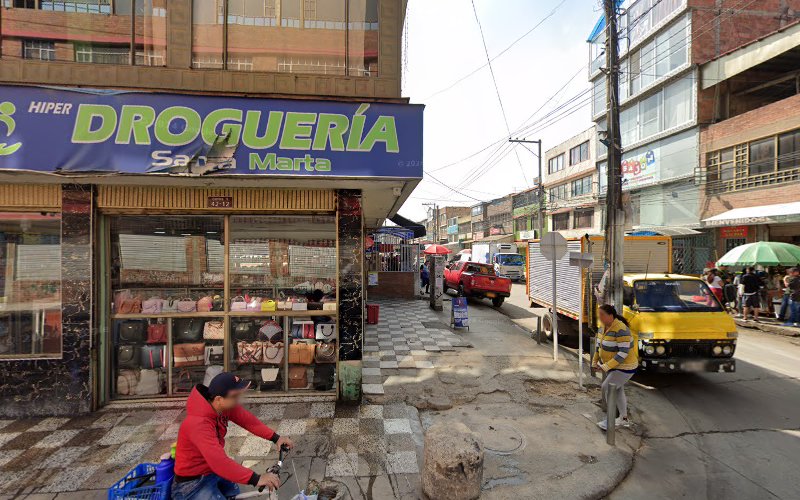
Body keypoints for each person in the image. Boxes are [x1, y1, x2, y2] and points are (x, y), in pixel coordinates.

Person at [172, 372, 294, 499]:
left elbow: (247, 420)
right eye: (235, 396)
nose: (238, 400)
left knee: (234, 493)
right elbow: (219, 462)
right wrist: (257, 479)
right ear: (219, 399)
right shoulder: (198, 423)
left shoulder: (221, 406)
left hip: (211, 471)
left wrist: (276, 438)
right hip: (192, 483)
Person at [592, 304, 638, 430]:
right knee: (617, 390)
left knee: (607, 387)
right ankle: (623, 418)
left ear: (611, 315)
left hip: (625, 367)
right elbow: (598, 346)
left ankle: (610, 422)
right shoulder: (602, 328)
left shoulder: (621, 329)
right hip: (613, 367)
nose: (600, 317)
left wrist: (605, 367)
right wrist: (595, 361)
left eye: (602, 315)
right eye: (599, 314)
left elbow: (623, 353)